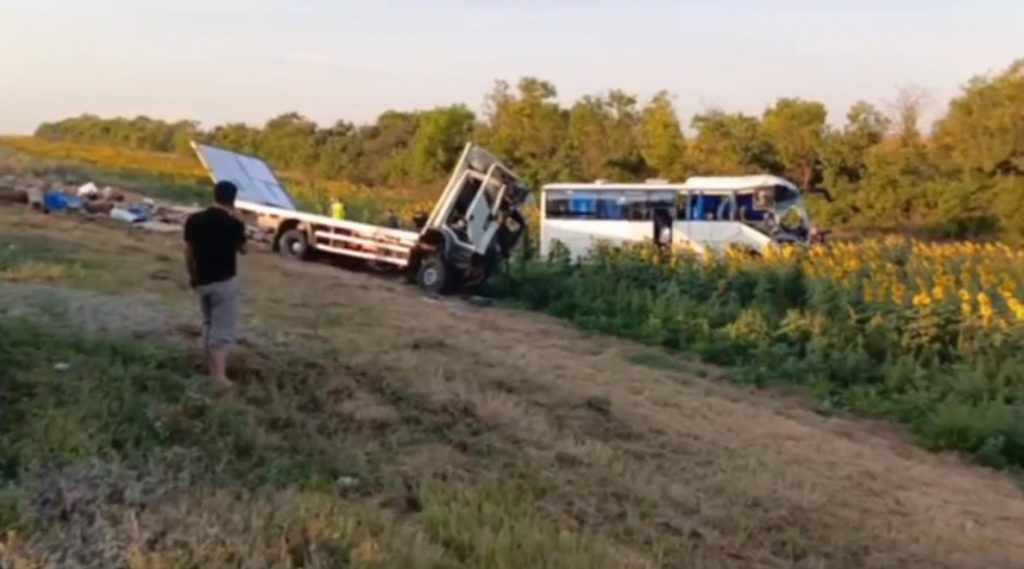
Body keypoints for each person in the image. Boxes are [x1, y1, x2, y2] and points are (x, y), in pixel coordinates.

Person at [184, 181, 247, 390]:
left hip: (202, 281)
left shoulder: (194, 220)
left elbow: (189, 253)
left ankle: (209, 367)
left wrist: (193, 277)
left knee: (209, 325)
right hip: (224, 282)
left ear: (215, 195)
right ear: (233, 199)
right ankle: (219, 378)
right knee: (222, 331)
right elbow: (244, 249)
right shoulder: (233, 225)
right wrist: (241, 223)